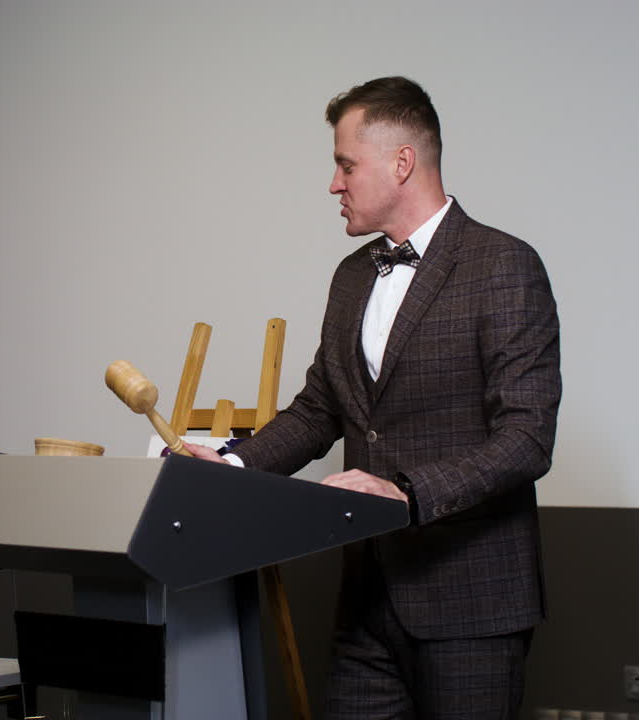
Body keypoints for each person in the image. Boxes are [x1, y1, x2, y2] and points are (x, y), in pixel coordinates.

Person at [186, 76, 561, 719]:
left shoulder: (503, 264)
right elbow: (319, 409)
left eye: (346, 164)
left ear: (402, 162)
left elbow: (526, 439)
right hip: (366, 602)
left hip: (471, 602)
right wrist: (234, 465)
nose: (334, 184)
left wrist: (406, 494)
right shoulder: (351, 276)